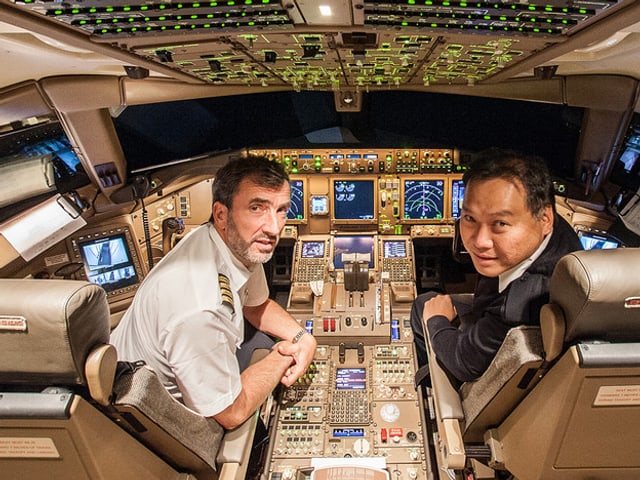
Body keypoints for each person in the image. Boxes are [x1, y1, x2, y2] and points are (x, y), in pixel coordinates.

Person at [111, 155, 317, 430]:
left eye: (281, 210)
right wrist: (283, 355)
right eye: (257, 208)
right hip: (157, 421)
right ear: (222, 214)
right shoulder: (199, 307)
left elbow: (255, 306)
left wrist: (302, 337)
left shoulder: (235, 245)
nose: (273, 227)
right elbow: (230, 412)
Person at [411, 148, 582, 387]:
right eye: (470, 218)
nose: (479, 242)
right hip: (492, 312)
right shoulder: (556, 232)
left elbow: (465, 362)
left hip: (482, 360)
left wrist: (437, 321)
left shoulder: (517, 307)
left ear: (544, 218)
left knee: (424, 304)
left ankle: (432, 384)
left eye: (500, 223)